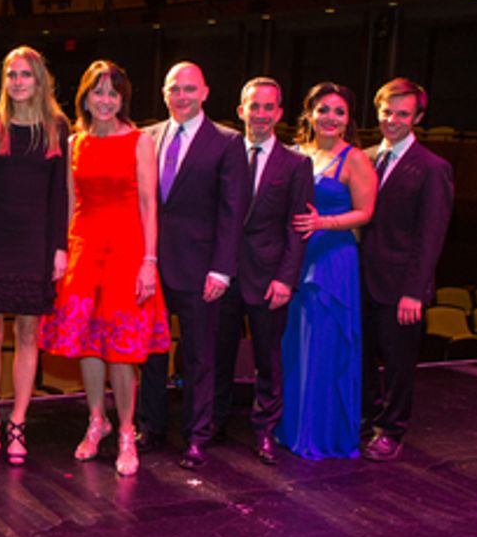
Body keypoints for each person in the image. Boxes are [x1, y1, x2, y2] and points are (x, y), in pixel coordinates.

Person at [40, 60, 171, 476]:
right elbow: (69, 201)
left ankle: (127, 430)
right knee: (88, 345)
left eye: (112, 93)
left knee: (122, 348)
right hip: (84, 249)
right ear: (85, 97)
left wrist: (149, 261)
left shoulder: (139, 141)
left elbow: (150, 205)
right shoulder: (75, 142)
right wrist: (60, 252)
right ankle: (97, 420)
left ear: (122, 99)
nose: (105, 100)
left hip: (127, 250)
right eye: (98, 92)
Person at [139, 61, 248, 469]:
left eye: (189, 89)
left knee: (200, 357)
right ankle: (151, 427)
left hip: (201, 269)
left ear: (205, 92)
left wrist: (222, 269)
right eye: (173, 89)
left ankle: (197, 435)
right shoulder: (146, 137)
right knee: (150, 352)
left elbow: (232, 212)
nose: (181, 96)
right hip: (151, 266)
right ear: (164, 93)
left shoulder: (226, 141)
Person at [0, 46, 70, 465]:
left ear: (39, 80)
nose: (17, 81)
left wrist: (60, 246)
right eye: (11, 74)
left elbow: (58, 195)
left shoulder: (56, 127)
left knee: (28, 336)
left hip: (35, 242)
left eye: (25, 75)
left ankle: (19, 420)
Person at [211, 77, 312, 465]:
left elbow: (297, 227)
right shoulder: (224, 155)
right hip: (224, 275)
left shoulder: (296, 163)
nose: (261, 114)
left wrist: (286, 278)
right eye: (254, 106)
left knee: (268, 360)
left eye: (269, 107)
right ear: (241, 111)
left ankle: (265, 431)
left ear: (280, 113)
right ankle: (214, 424)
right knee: (217, 356)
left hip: (269, 279)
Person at [279, 82, 377, 459]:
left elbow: (365, 212)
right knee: (294, 345)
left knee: (324, 344)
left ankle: (322, 432)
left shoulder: (355, 159)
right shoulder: (297, 153)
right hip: (297, 256)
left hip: (333, 259)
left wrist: (325, 224)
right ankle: (293, 427)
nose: (330, 118)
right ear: (309, 114)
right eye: (323, 110)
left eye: (339, 111)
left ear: (348, 119)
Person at [360, 78, 454, 462]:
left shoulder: (433, 168)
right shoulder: (363, 158)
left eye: (402, 113)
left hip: (401, 288)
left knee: (398, 365)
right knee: (362, 358)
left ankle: (391, 430)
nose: (393, 120)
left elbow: (430, 236)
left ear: (417, 117)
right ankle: (366, 421)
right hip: (360, 281)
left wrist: (415, 290)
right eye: (387, 111)